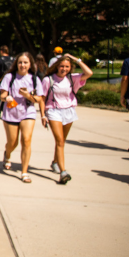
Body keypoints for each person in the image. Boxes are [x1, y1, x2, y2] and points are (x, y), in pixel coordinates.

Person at [41, 54, 92, 184]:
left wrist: (76, 59)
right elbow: (42, 98)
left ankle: (55, 162)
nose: (64, 69)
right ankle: (63, 172)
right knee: (59, 141)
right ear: (57, 66)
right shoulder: (48, 80)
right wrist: (43, 114)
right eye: (62, 66)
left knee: (62, 141)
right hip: (53, 111)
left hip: (69, 111)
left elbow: (89, 72)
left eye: (67, 66)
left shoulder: (72, 78)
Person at [0, 52, 44, 183]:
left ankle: (24, 172)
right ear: (16, 64)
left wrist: (27, 95)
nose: (22, 65)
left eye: (25, 62)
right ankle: (7, 154)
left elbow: (38, 99)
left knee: (26, 140)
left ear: (30, 64)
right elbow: (2, 95)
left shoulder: (35, 79)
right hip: (11, 113)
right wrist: (6, 97)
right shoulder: (9, 77)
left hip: (28, 113)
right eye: (20, 62)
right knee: (13, 142)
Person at [0, 46, 14, 118]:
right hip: (11, 80)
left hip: (1, 80)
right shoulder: (12, 59)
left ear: (1, 51)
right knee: (9, 96)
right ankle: (7, 111)